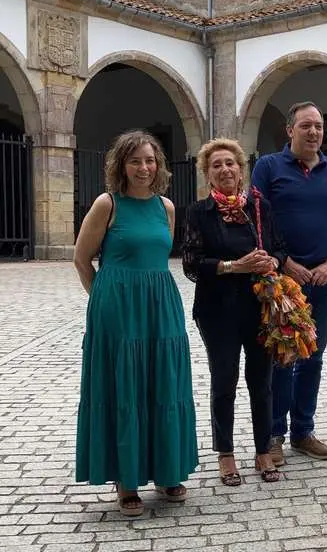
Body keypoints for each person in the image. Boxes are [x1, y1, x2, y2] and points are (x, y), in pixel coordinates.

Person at [73, 130, 198, 517]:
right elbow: (81, 259)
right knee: (125, 387)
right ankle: (125, 481)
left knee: (164, 383)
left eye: (150, 160)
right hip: (118, 310)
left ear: (158, 165)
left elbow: (160, 256)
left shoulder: (167, 207)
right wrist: (104, 302)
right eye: (135, 161)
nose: (144, 168)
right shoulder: (106, 204)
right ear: (121, 166)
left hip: (161, 306)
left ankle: (167, 470)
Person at [251, 101, 327, 465]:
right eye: (306, 126)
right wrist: (286, 264)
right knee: (283, 356)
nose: (314, 132)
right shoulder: (268, 167)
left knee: (313, 356)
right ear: (289, 130)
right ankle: (274, 433)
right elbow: (257, 221)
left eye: (319, 126)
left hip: (323, 279)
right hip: (283, 281)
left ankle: (303, 431)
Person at [182, 138, 288, 484]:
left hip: (259, 308)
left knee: (262, 381)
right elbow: (192, 264)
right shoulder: (199, 212)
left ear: (241, 169)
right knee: (224, 381)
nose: (225, 169)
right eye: (216, 165)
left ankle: (261, 450)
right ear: (207, 174)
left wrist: (272, 260)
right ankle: (225, 454)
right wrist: (233, 266)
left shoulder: (260, 207)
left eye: (230, 163)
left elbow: (279, 249)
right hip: (217, 311)